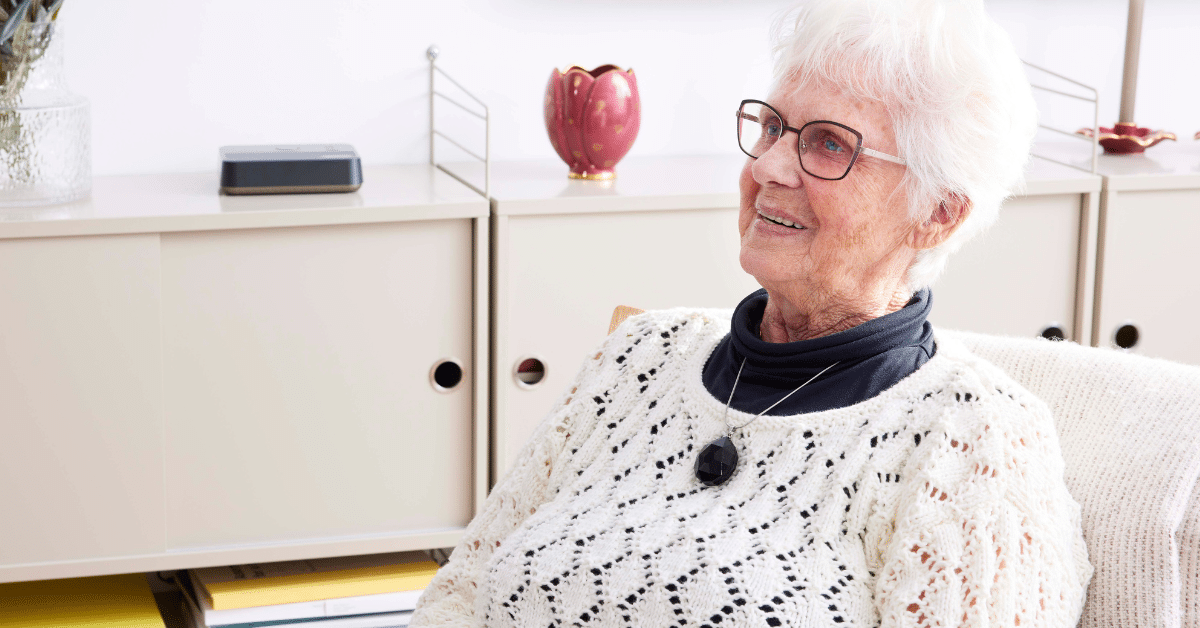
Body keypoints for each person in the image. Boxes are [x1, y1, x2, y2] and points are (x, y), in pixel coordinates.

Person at [410, 0, 1093, 625]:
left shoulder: (974, 442)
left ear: (937, 212)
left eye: (828, 143)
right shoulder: (640, 355)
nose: (768, 165)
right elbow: (461, 592)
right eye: (771, 127)